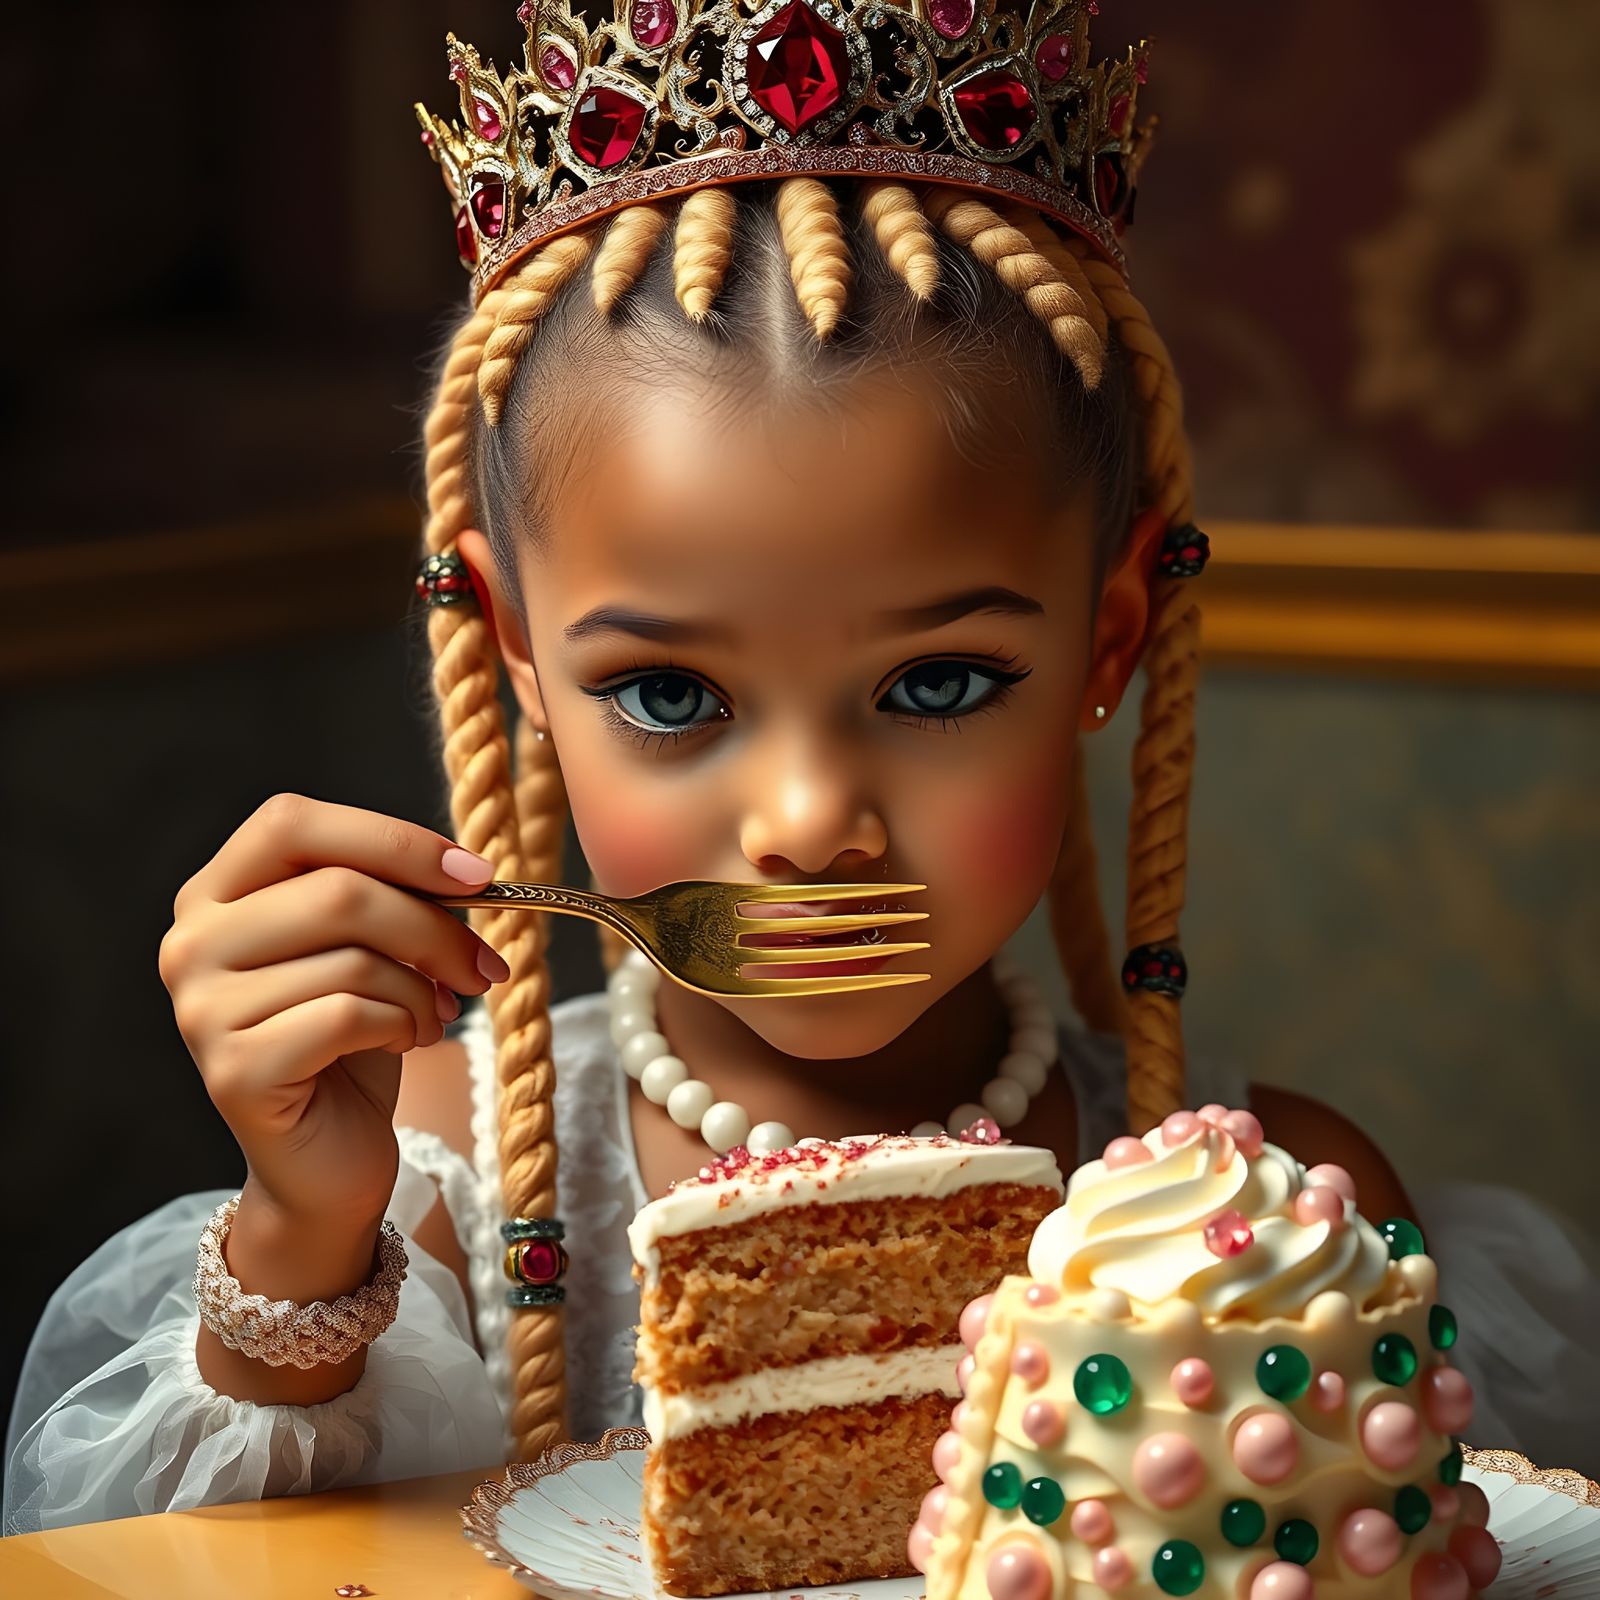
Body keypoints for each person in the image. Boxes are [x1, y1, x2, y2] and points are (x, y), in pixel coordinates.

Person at [9, 7, 1599, 1538]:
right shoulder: (438, 1182)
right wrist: (301, 1239)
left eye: (939, 682)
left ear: (1109, 645)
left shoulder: (1288, 1217)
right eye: (670, 693)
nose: (807, 824)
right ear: (517, 659)